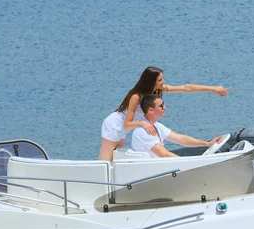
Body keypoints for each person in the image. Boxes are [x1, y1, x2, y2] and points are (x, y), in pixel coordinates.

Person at [99, 66, 230, 161]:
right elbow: (127, 124)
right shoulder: (136, 97)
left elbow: (185, 88)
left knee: (115, 158)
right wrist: (143, 123)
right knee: (105, 161)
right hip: (114, 126)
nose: (163, 82)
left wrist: (213, 89)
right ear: (152, 82)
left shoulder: (156, 91)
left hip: (127, 127)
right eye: (160, 80)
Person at [131, 95, 223, 158]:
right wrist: (187, 163)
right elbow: (164, 155)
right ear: (151, 110)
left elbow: (180, 139)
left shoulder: (156, 126)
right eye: (161, 106)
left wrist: (207, 144)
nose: (165, 107)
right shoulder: (143, 131)